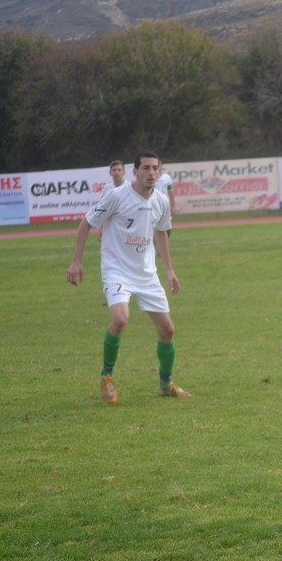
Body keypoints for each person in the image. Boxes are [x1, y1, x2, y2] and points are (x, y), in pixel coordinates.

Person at [66, 151, 190, 404]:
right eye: (146, 168)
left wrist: (169, 269)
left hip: (146, 274)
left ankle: (165, 384)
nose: (151, 173)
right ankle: (106, 377)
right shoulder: (117, 195)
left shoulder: (161, 200)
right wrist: (76, 261)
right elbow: (86, 223)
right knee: (120, 319)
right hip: (117, 270)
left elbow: (161, 233)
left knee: (168, 329)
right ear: (135, 171)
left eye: (155, 168)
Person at [156, 165, 177, 237]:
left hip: (165, 205)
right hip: (154, 205)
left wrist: (173, 205)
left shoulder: (167, 177)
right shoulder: (151, 177)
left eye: (159, 165)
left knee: (167, 226)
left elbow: (170, 191)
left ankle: (166, 240)